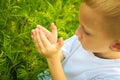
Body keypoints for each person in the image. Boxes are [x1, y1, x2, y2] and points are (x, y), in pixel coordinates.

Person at [31, 0, 120, 80]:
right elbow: (64, 55)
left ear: (116, 46)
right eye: (80, 24)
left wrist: (52, 58)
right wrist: (54, 49)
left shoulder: (112, 75)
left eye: (87, 32)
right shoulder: (83, 40)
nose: (77, 32)